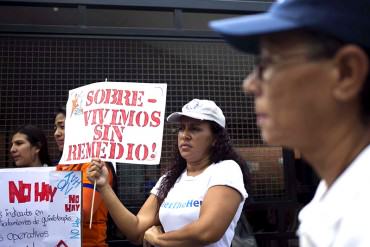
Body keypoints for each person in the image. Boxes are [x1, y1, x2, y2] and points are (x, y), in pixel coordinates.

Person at [210, 0, 370, 246]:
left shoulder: (362, 215)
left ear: (346, 72)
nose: (249, 85)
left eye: (267, 64)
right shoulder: (338, 192)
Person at [87, 98, 249, 247]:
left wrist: (158, 239)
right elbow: (136, 231)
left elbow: (207, 231)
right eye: (181, 128)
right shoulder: (170, 178)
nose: (185, 135)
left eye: (195, 129)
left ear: (215, 138)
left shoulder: (226, 169)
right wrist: (104, 186)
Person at [54, 106, 116, 247]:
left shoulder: (93, 165)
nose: (56, 134)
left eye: (62, 127)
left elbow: (83, 213)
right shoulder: (62, 165)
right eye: (55, 128)